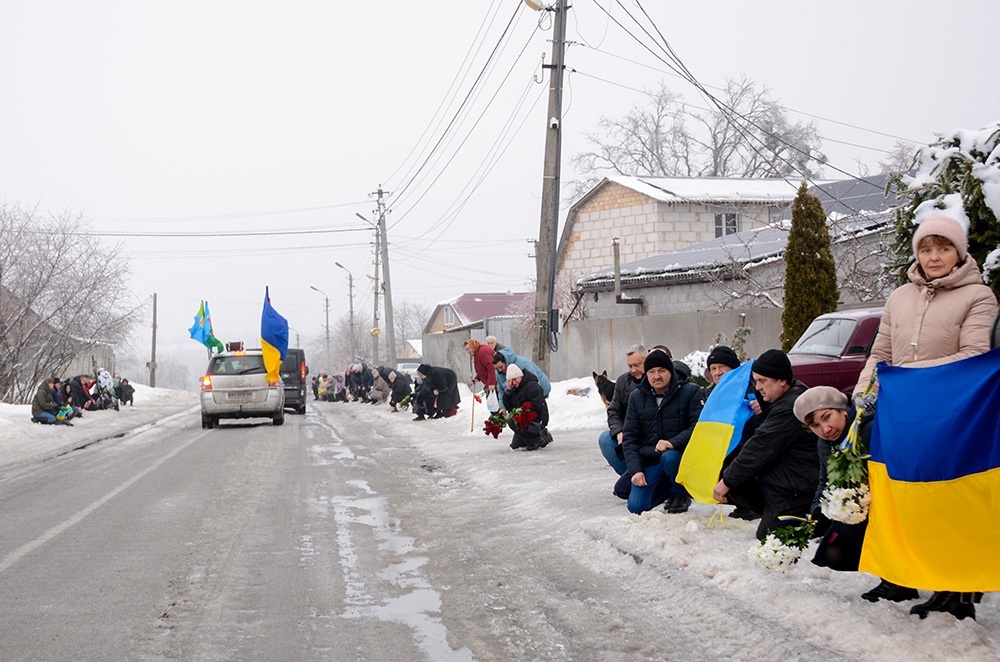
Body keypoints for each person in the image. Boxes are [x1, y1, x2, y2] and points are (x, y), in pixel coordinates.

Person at [852, 214, 998, 620]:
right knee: (904, 495)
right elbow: (880, 353)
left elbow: (974, 357)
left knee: (951, 499)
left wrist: (905, 378)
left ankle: (959, 588)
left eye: (944, 248)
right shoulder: (899, 297)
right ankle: (906, 573)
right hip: (902, 415)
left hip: (953, 414)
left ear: (959, 252)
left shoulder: (978, 297)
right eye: (926, 249)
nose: (934, 257)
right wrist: (866, 390)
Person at [713, 349, 819, 540]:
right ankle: (772, 510)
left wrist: (727, 482)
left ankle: (803, 518)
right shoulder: (788, 396)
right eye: (755, 381)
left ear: (782, 380)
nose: (758, 387)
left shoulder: (790, 407)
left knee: (768, 536)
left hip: (799, 487)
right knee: (734, 472)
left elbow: (761, 445)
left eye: (763, 381)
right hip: (788, 478)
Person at [621, 349, 703, 514]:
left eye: (661, 371)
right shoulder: (637, 396)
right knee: (635, 506)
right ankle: (668, 487)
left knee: (670, 457)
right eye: (651, 372)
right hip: (651, 460)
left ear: (670, 372)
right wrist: (636, 470)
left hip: (680, 458)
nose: (656, 376)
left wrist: (672, 442)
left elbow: (698, 428)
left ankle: (681, 494)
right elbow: (630, 437)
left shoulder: (691, 391)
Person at [598, 344, 647, 497]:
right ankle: (629, 475)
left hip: (648, 436)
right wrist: (618, 431)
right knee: (605, 439)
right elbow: (613, 411)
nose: (633, 370)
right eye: (630, 366)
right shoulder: (622, 382)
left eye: (637, 365)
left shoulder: (655, 380)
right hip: (628, 433)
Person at [501, 364, 550, 451]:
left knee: (512, 421)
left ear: (520, 376)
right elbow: (509, 407)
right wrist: (508, 391)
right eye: (511, 381)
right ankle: (539, 437)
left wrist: (522, 412)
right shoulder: (515, 389)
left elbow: (536, 406)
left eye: (515, 380)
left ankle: (538, 436)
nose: (514, 383)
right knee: (516, 446)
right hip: (522, 420)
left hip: (535, 418)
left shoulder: (533, 387)